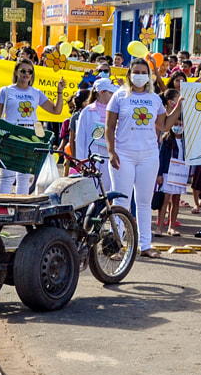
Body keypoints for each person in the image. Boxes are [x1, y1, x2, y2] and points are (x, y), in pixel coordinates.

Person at [106, 56, 183, 258]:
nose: (140, 76)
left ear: (149, 76)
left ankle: (145, 245)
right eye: (136, 72)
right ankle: (117, 245)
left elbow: (164, 126)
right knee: (121, 201)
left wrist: (179, 107)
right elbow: (109, 126)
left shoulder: (155, 98)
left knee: (144, 202)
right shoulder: (119, 96)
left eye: (143, 73)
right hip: (123, 155)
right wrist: (111, 152)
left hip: (149, 156)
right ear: (129, 74)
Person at [0, 58, 65, 194]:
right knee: (8, 175)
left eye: (29, 72)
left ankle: (21, 208)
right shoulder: (5, 91)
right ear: (16, 72)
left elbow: (56, 110)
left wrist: (59, 92)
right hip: (11, 134)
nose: (26, 74)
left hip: (30, 135)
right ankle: (2, 206)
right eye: (23, 71)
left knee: (25, 176)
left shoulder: (36, 92)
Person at [74, 78, 117, 190]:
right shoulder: (87, 111)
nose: (113, 95)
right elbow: (80, 137)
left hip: (109, 155)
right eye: (110, 92)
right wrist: (81, 160)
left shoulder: (116, 111)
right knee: (92, 189)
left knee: (108, 190)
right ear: (101, 92)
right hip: (92, 156)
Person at [156, 115, 187, 236]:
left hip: (180, 173)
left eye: (180, 125)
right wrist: (159, 174)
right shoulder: (166, 139)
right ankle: (159, 227)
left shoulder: (186, 141)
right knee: (165, 200)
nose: (178, 127)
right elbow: (161, 157)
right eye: (175, 124)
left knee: (176, 201)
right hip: (168, 172)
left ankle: (172, 227)